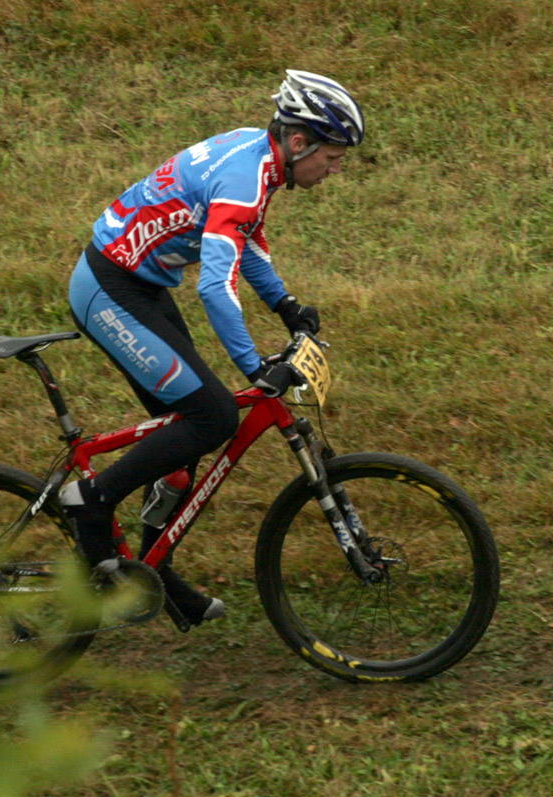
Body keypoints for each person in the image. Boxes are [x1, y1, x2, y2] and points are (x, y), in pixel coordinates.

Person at [61, 69, 365, 626]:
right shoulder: (246, 177)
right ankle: (92, 502)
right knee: (214, 415)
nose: (336, 168)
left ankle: (156, 572)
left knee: (186, 434)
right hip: (109, 290)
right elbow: (214, 287)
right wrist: (254, 365)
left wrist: (285, 305)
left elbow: (246, 240)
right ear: (300, 142)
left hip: (139, 286)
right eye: (332, 156)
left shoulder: (261, 158)